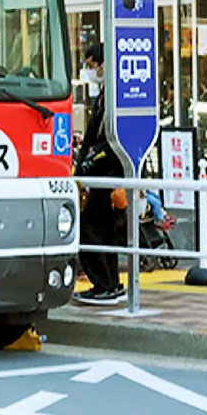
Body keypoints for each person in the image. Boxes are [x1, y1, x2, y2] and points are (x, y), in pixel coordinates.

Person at [72, 43, 126, 305]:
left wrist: (88, 162)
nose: (90, 70)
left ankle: (104, 284)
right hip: (107, 172)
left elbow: (107, 136)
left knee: (89, 227)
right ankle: (111, 284)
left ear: (104, 63)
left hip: (108, 172)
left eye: (92, 65)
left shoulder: (114, 94)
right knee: (105, 232)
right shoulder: (108, 91)